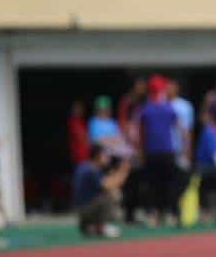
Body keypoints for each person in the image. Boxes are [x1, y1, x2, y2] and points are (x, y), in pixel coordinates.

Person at [137, 74, 182, 226]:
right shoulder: (167, 107)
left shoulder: (146, 108)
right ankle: (168, 214)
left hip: (154, 151)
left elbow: (141, 133)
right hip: (165, 151)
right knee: (167, 184)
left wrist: (140, 151)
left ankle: (155, 214)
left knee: (154, 185)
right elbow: (180, 128)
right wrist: (184, 148)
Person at [72, 143, 129, 238]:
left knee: (105, 194)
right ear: (98, 155)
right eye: (104, 155)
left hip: (81, 209)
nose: (107, 157)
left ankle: (90, 226)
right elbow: (109, 186)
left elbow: (105, 182)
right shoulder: (91, 169)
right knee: (111, 195)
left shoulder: (84, 166)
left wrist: (116, 174)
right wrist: (124, 170)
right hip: (86, 209)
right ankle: (102, 227)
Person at [67, 100, 89, 167]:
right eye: (77, 108)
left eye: (81, 108)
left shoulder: (81, 121)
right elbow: (82, 138)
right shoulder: (73, 121)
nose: (79, 110)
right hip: (79, 157)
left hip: (85, 156)